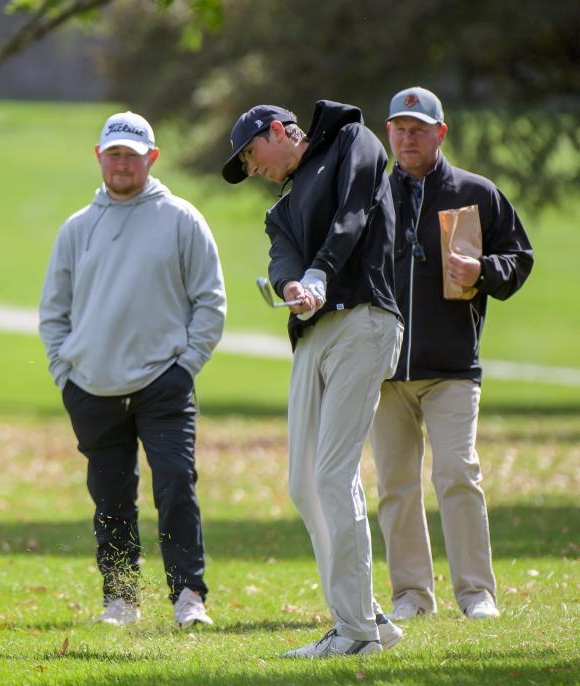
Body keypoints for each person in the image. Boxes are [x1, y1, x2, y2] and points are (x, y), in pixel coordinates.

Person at [221, 101, 404, 657]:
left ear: (278, 131)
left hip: (364, 318)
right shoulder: (279, 210)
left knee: (332, 475)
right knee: (304, 482)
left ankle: (355, 633)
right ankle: (367, 613)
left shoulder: (354, 141)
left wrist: (320, 274)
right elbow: (282, 260)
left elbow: (354, 214)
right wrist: (291, 289)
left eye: (252, 155)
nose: (254, 169)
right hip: (313, 333)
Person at [39, 111, 226, 628]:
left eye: (132, 154)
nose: (123, 164)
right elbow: (53, 313)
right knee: (111, 497)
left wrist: (185, 366)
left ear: (152, 158)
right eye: (114, 154)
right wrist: (65, 373)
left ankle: (188, 595)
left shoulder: (182, 218)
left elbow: (210, 303)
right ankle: (121, 598)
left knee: (175, 485)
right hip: (92, 386)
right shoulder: (78, 228)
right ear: (100, 157)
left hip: (163, 382)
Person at [371, 86, 534, 622]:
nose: (407, 137)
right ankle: (411, 597)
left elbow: (519, 258)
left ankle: (475, 594)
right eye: (399, 127)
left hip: (453, 369)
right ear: (388, 132)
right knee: (395, 486)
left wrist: (483, 272)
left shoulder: (476, 192)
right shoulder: (371, 193)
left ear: (440, 133)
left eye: (418, 128)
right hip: (384, 370)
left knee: (457, 473)